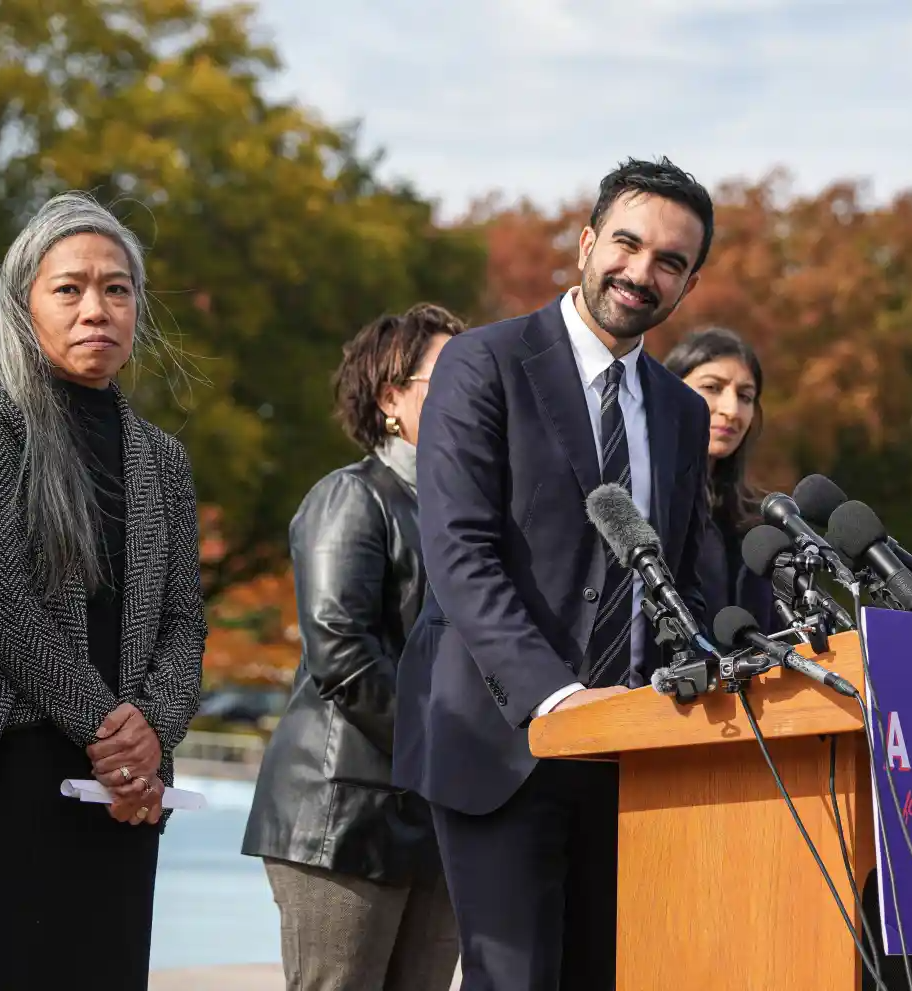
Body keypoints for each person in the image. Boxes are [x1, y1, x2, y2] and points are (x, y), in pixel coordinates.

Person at [393, 157, 715, 991]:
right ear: (585, 243)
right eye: (627, 244)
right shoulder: (483, 362)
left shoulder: (683, 412)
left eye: (670, 261)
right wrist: (558, 697)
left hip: (633, 754)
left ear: (688, 284)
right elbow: (458, 550)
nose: (641, 272)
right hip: (503, 739)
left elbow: (683, 577)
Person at [0, 191, 207, 990]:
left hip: (125, 788)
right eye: (69, 288)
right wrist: (111, 731)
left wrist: (151, 732)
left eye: (117, 288)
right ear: (25, 306)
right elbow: (0, 603)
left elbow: (185, 621)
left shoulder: (163, 459)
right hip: (11, 763)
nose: (96, 309)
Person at [242, 303, 463, 991]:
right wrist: (444, 750)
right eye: (452, 377)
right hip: (343, 816)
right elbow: (342, 652)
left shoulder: (470, 518)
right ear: (391, 398)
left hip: (439, 812)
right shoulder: (351, 497)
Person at [663, 327, 777, 631]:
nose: (731, 410)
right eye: (712, 387)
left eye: (745, 396)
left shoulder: (761, 523)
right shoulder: (640, 504)